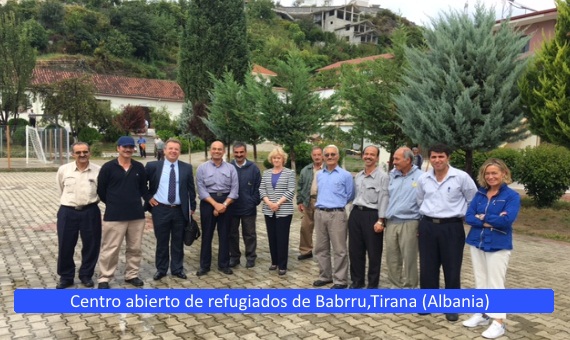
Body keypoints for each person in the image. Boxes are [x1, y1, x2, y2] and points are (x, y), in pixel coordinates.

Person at [416, 143, 477, 321]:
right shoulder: (423, 179)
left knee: (452, 267)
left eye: (441, 156)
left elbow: (472, 199)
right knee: (428, 266)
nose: (437, 160)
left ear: (448, 157)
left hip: (452, 227)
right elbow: (420, 200)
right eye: (434, 157)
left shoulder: (461, 177)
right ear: (430, 158)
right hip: (427, 226)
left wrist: (465, 217)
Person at [463, 158, 520, 339]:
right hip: (477, 242)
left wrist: (483, 217)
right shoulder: (480, 194)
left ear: (504, 173)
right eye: (487, 173)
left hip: (498, 245)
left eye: (494, 173)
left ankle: (499, 322)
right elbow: (469, 217)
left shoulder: (511, 196)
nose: (491, 176)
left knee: (496, 284)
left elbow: (506, 221)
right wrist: (489, 219)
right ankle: (482, 314)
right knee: (481, 280)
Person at [96, 136, 149, 289]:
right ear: (118, 148)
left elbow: (143, 189)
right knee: (111, 248)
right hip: (114, 216)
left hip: (136, 215)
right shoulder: (108, 167)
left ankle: (132, 275)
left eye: (131, 147)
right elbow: (101, 191)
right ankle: (104, 278)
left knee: (135, 248)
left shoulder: (139, 167)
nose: (128, 149)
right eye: (124, 147)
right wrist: (114, 203)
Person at [145, 138, 197, 281]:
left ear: (180, 152)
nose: (173, 151)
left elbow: (191, 190)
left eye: (176, 149)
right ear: (164, 150)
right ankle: (161, 269)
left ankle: (177, 269)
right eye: (171, 148)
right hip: (160, 209)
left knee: (178, 241)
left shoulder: (186, 168)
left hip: (179, 211)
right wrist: (149, 198)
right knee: (162, 241)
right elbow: (142, 185)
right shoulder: (153, 166)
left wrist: (192, 206)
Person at [55, 142, 101, 289]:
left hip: (90, 211)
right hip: (68, 211)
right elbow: (60, 188)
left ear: (90, 153)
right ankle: (66, 277)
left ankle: (86, 275)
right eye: (78, 152)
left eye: (85, 152)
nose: (82, 155)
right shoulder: (64, 170)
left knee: (91, 245)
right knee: (65, 244)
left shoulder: (98, 171)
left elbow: (101, 191)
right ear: (72, 153)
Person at [313, 145, 355, 289]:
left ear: (338, 156)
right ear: (323, 157)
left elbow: (350, 195)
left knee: (339, 249)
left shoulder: (345, 175)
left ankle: (340, 280)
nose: (330, 157)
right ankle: (325, 276)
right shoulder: (320, 174)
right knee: (320, 248)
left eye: (333, 154)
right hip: (319, 213)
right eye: (327, 155)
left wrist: (337, 204)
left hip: (337, 214)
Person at [195, 141, 239, 276]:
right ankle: (204, 266)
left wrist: (224, 205)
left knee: (225, 234)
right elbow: (201, 190)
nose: (217, 151)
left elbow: (234, 190)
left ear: (224, 151)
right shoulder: (202, 168)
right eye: (214, 149)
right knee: (207, 235)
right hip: (208, 202)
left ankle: (223, 264)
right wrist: (215, 205)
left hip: (227, 203)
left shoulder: (231, 168)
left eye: (220, 149)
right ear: (210, 150)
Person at [348, 145, 389, 289]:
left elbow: (384, 199)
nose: (368, 157)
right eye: (366, 154)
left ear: (377, 158)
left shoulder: (383, 177)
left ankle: (372, 284)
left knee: (373, 252)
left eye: (372, 154)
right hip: (356, 214)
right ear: (362, 156)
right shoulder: (358, 176)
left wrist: (381, 220)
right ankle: (357, 281)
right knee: (355, 251)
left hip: (373, 215)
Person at [385, 147, 423, 288]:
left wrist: (421, 224)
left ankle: (410, 287)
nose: (393, 162)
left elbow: (424, 201)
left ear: (408, 160)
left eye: (397, 159)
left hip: (410, 222)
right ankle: (395, 286)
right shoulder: (392, 175)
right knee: (392, 257)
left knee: (409, 258)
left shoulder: (421, 177)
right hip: (391, 222)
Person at [259, 147, 296, 275]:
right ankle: (274, 262)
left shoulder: (289, 173)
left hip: (284, 210)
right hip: (269, 210)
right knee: (272, 236)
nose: (276, 160)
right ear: (271, 159)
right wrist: (269, 203)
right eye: (274, 158)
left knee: (282, 237)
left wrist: (278, 203)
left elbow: (291, 190)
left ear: (283, 159)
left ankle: (282, 265)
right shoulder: (266, 173)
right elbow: (262, 189)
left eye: (278, 158)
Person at [229, 142, 261, 269]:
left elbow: (259, 187)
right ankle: (234, 257)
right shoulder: (229, 167)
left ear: (245, 152)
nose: (239, 155)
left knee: (249, 234)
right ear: (233, 153)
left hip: (248, 208)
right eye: (236, 152)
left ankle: (251, 257)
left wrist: (253, 201)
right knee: (232, 234)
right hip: (232, 207)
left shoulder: (254, 168)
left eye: (241, 152)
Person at [296, 146, 323, 261]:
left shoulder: (327, 169)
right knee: (305, 228)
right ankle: (306, 251)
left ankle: (322, 253)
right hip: (308, 201)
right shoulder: (306, 169)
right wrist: (300, 201)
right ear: (311, 156)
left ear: (322, 155)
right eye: (314, 155)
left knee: (322, 229)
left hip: (322, 203)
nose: (317, 157)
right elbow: (300, 186)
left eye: (319, 154)